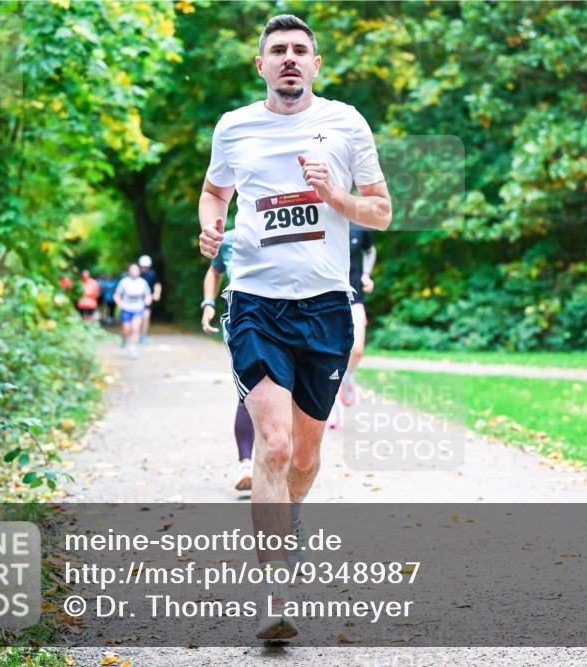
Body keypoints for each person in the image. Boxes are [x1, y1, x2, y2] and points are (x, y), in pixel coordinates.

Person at [197, 14, 391, 641]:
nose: (288, 59)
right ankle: (273, 592)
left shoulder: (346, 123)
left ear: (315, 65)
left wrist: (335, 196)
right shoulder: (234, 127)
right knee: (273, 446)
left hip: (326, 308)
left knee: (306, 455)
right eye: (277, 50)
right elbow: (213, 192)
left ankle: (290, 519)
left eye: (299, 51)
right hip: (255, 302)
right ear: (261, 66)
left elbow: (382, 213)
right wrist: (211, 227)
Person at [201, 225, 255, 492]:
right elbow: (215, 270)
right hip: (240, 318)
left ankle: (278, 460)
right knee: (248, 390)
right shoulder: (229, 240)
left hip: (285, 317)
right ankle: (246, 464)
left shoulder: (282, 233)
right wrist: (208, 304)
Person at [328, 222, 376, 428]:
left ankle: (348, 376)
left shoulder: (358, 226)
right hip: (326, 300)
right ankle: (331, 404)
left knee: (357, 349)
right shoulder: (321, 222)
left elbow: (370, 250)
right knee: (328, 355)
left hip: (355, 298)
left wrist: (366, 274)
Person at [114, 264, 152, 359]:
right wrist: (119, 303)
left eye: (136, 270)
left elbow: (148, 295)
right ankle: (124, 337)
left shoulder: (143, 283)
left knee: (135, 328)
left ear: (139, 272)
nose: (134, 272)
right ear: (129, 272)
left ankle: (132, 349)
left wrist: (147, 300)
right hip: (126, 309)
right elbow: (117, 294)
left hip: (138, 309)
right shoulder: (124, 282)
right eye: (132, 270)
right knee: (127, 329)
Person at [137, 255, 162, 343]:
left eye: (146, 267)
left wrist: (157, 293)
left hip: (147, 298)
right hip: (136, 299)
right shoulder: (136, 274)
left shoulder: (152, 274)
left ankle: (143, 335)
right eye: (143, 266)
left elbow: (157, 284)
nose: (145, 268)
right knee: (137, 318)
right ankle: (136, 334)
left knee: (146, 317)